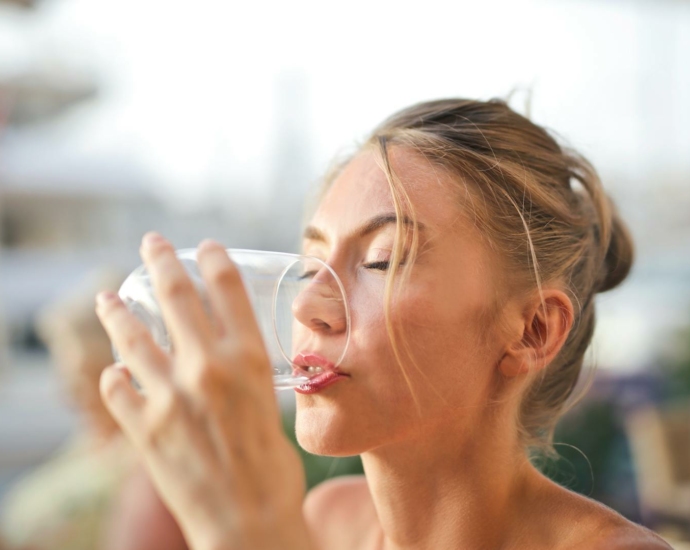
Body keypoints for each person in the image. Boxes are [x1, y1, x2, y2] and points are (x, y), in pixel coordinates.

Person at [94, 98, 672, 549]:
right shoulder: (327, 521)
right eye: (312, 262)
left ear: (533, 331)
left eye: (382, 259)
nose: (305, 307)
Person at [0, 270, 187, 550]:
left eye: (83, 378)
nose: (68, 396)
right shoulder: (89, 439)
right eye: (64, 378)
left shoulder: (153, 461)